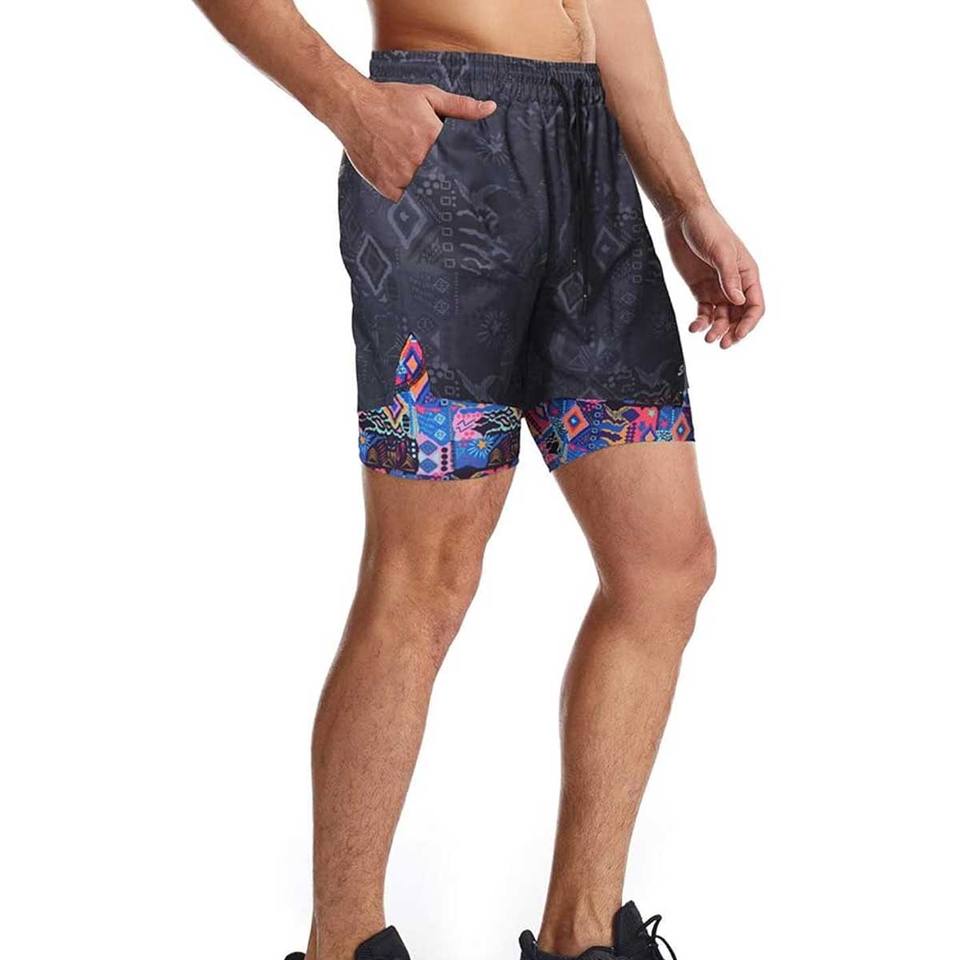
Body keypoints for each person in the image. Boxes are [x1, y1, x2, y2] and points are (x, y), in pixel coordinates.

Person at [193, 2, 765, 959]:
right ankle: (344, 945)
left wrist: (685, 203)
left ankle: (584, 935)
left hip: (590, 158)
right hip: (452, 147)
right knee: (427, 577)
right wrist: (349, 104)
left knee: (666, 564)